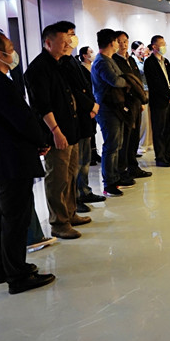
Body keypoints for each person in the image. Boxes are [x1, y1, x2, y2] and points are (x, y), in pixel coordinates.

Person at [0, 32, 56, 294]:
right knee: (15, 219)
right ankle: (18, 275)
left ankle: (2, 268)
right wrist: (41, 140)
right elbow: (22, 120)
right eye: (9, 48)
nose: (13, 52)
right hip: (12, 161)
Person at [24, 22, 92, 240]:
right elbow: (42, 105)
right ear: (48, 43)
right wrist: (55, 131)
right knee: (58, 178)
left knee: (70, 175)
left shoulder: (61, 63)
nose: (67, 45)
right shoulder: (38, 68)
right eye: (63, 41)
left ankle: (70, 213)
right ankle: (59, 222)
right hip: (56, 133)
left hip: (70, 129)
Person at [58, 30, 104, 215]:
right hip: (78, 116)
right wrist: (90, 105)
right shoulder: (63, 64)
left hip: (86, 116)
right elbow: (74, 91)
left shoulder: (72, 61)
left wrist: (92, 105)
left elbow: (86, 88)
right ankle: (76, 197)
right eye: (69, 34)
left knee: (84, 158)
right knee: (77, 162)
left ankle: (84, 191)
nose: (72, 38)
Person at [92, 29, 129, 197]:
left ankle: (115, 177)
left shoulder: (109, 59)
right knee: (111, 144)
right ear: (110, 42)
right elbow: (116, 80)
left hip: (115, 107)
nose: (119, 44)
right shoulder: (102, 61)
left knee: (117, 143)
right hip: (107, 108)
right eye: (116, 41)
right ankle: (109, 182)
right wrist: (127, 82)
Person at [112, 31, 152, 184]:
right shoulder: (114, 60)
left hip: (136, 102)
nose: (123, 44)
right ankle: (121, 171)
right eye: (120, 41)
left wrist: (141, 101)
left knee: (134, 136)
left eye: (125, 41)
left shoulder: (131, 60)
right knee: (125, 138)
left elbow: (137, 81)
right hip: (125, 104)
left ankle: (133, 166)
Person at [144, 35, 170, 167]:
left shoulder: (166, 61)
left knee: (169, 128)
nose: (164, 46)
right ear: (154, 46)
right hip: (159, 101)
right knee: (159, 129)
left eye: (165, 43)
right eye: (161, 44)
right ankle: (160, 157)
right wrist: (168, 95)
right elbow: (155, 83)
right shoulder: (149, 62)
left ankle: (168, 154)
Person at [79, 46, 101, 165]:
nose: (93, 54)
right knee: (89, 130)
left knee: (94, 128)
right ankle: (90, 155)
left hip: (96, 101)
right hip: (88, 104)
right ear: (84, 55)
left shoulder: (93, 67)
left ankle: (94, 152)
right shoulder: (81, 69)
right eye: (91, 52)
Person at [131, 41, 152, 155]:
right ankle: (142, 144)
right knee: (143, 120)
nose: (142, 51)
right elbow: (142, 72)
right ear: (133, 50)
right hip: (141, 91)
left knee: (149, 119)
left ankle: (148, 142)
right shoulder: (133, 60)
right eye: (140, 49)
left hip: (148, 90)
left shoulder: (143, 60)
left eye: (143, 48)